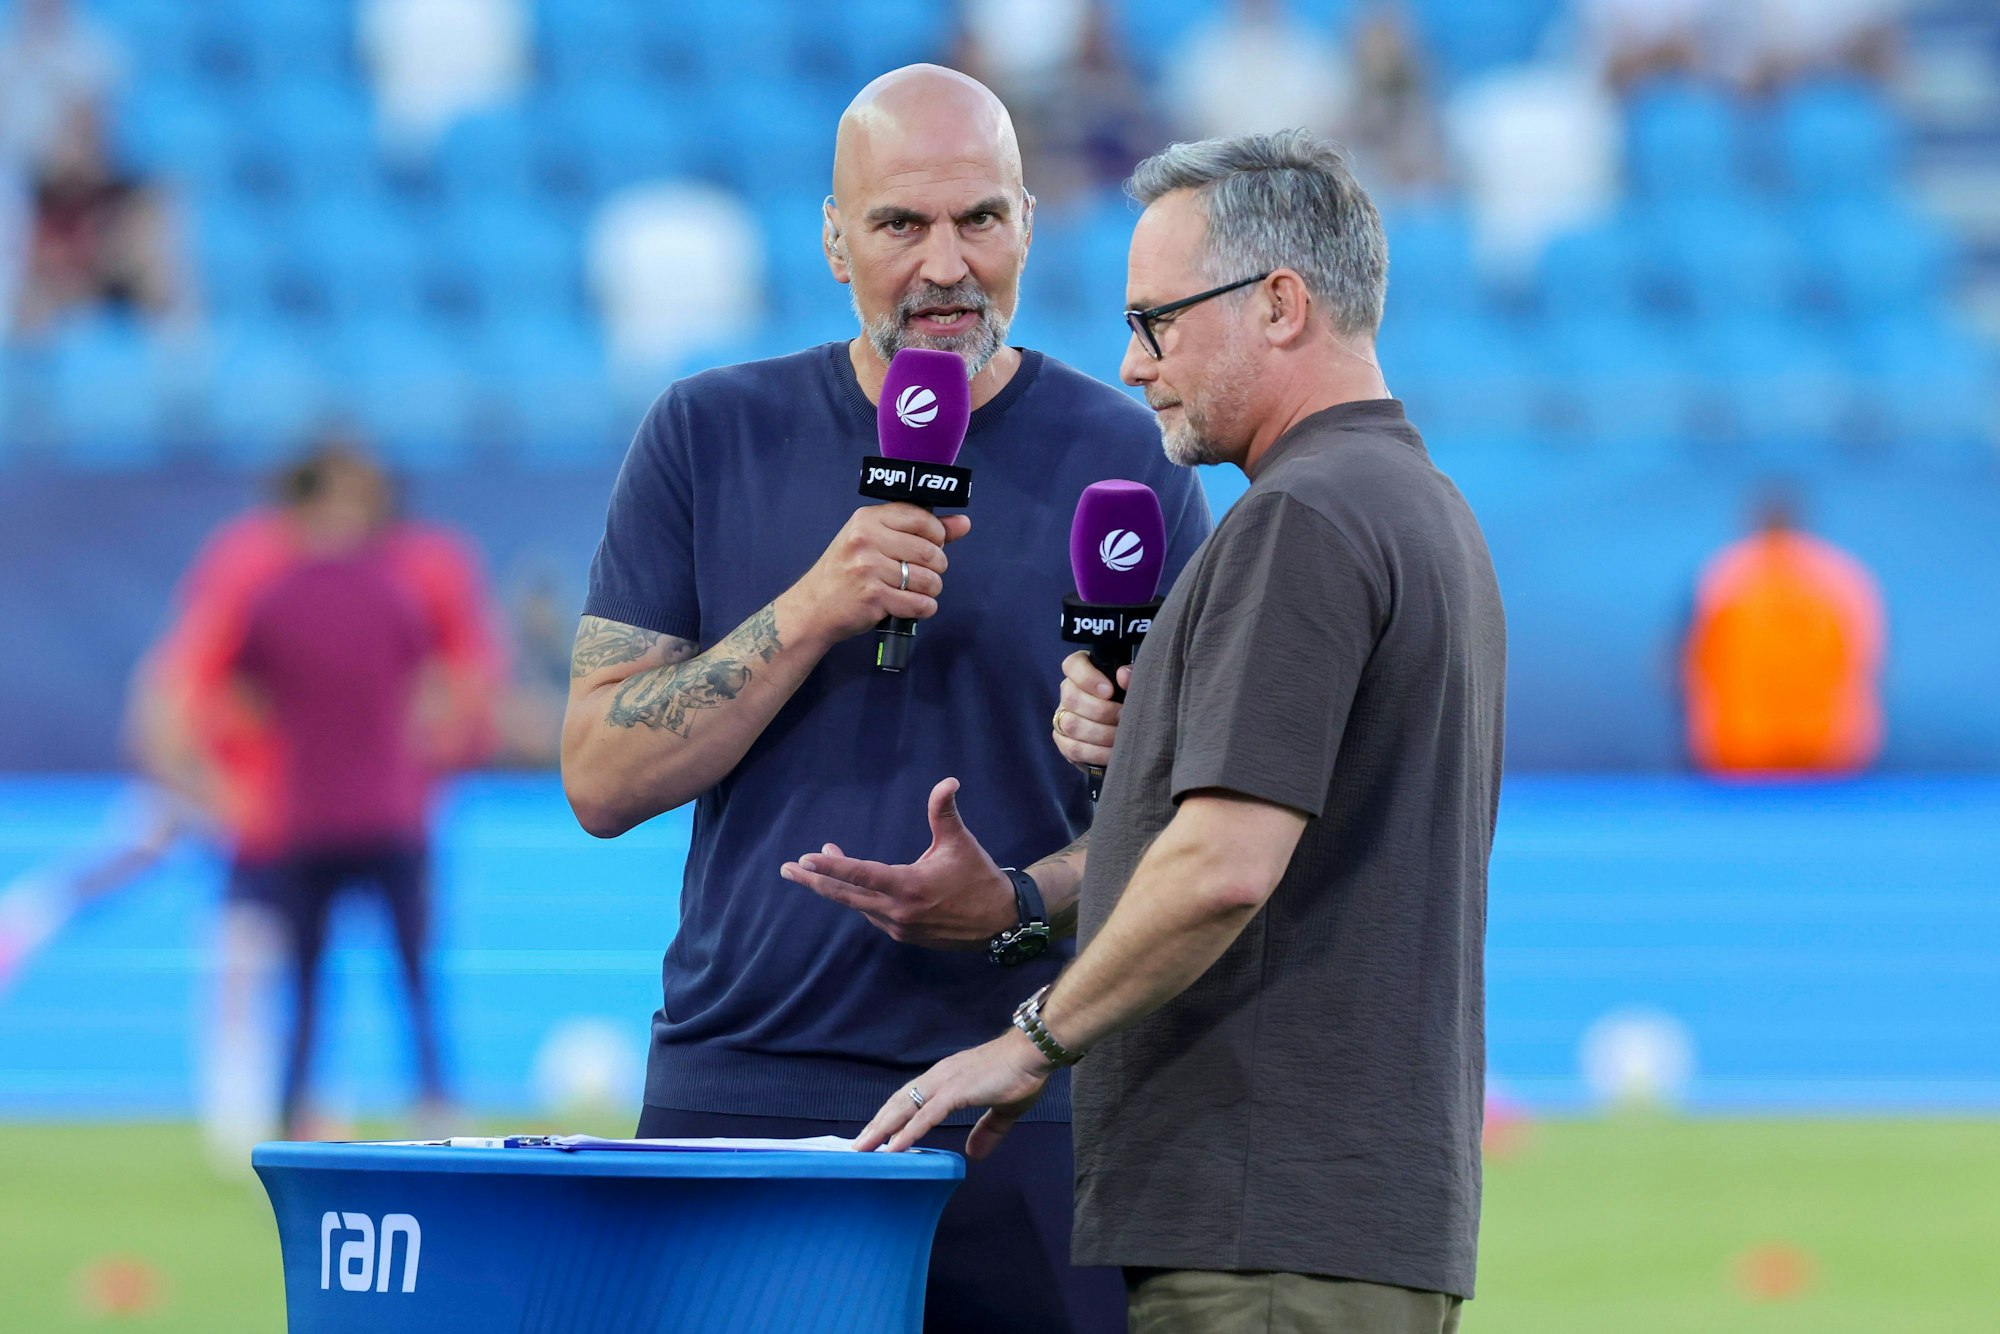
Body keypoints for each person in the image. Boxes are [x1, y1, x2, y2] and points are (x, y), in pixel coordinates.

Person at [799, 131, 1507, 1332]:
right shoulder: (1414, 504)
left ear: (1279, 304)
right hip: (1341, 1216)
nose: (1131, 365)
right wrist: (1139, 767)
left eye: (1157, 321)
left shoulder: (1303, 521)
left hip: (1264, 1223)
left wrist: (1027, 1038)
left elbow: (1226, 865)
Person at [560, 65, 1211, 1334]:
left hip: (1026, 1088)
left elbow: (1186, 814)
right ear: (833, 238)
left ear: (1028, 223)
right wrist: (814, 601)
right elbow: (597, 774)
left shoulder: (1125, 457)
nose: (944, 265)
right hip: (743, 1083)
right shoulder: (706, 433)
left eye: (979, 219)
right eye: (900, 225)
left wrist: (1023, 896)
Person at [170, 442, 502, 1137]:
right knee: (410, 981)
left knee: (311, 987)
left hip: (309, 818)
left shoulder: (275, 593)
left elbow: (225, 687)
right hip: (387, 811)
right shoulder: (394, 589)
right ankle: (436, 1110)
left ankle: (292, 1123)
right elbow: (439, 685)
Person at [1682, 491, 1885, 775]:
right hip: (1824, 742)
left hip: (1744, 743)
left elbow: (1694, 660)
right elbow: (1868, 657)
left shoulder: (1725, 573)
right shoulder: (1841, 574)